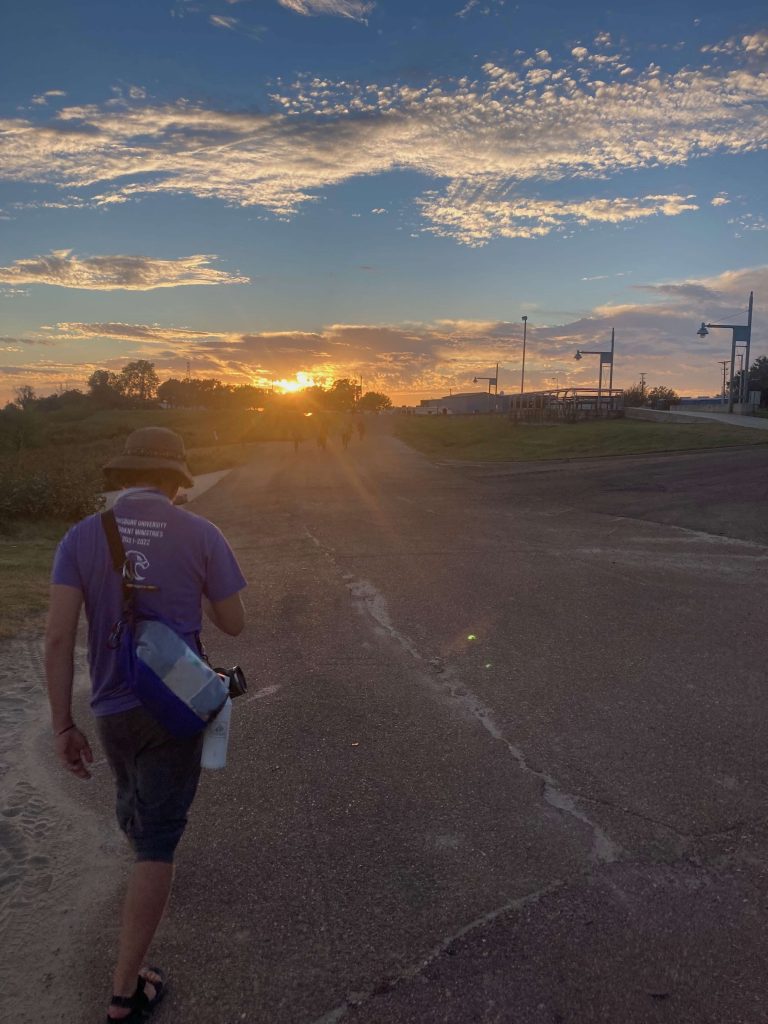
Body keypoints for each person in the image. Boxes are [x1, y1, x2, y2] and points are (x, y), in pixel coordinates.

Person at [45, 427, 247, 1022]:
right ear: (176, 481)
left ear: (124, 476)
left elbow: (58, 636)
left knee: (135, 804)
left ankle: (145, 872)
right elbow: (233, 624)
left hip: (111, 705)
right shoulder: (202, 533)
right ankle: (124, 991)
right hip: (176, 704)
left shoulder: (82, 536)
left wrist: (62, 725)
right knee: (158, 839)